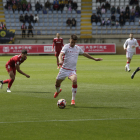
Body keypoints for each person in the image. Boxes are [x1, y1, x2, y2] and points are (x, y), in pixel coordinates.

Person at [54, 34, 102, 105]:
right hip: (64, 69)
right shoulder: (66, 46)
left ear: (76, 41)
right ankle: (58, 91)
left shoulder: (77, 48)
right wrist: (60, 61)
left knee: (74, 80)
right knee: (57, 84)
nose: (72, 44)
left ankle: (73, 100)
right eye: (71, 42)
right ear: (69, 40)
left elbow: (85, 54)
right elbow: (60, 55)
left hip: (72, 70)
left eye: (74, 42)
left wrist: (94, 59)